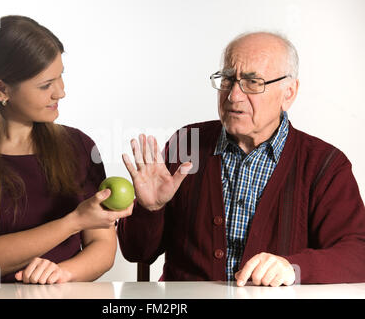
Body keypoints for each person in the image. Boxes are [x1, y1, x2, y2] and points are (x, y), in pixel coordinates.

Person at [118, 31, 365, 286]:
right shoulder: (186, 144)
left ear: (288, 93)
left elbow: (358, 254)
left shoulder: (324, 164)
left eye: (253, 82)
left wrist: (294, 268)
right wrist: (150, 209)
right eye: (227, 79)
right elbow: (137, 252)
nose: (234, 96)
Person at [0, 15, 132, 284]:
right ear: (1, 89)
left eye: (60, 77)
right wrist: (73, 221)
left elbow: (102, 248)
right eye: (46, 84)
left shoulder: (79, 146)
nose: (61, 92)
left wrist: (63, 273)